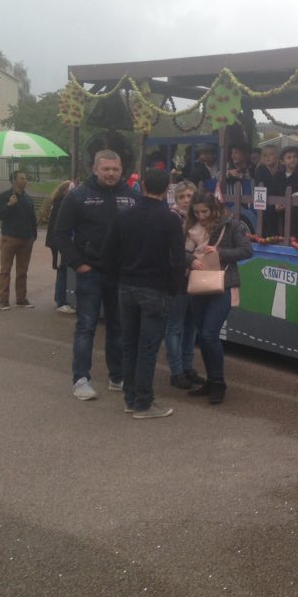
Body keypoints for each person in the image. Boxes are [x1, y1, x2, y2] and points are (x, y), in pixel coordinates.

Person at [53, 149, 138, 401]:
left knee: (118, 327)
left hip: (121, 274)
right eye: (106, 169)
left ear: (122, 170)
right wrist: (78, 264)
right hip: (90, 273)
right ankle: (81, 379)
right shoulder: (78, 196)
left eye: (115, 169)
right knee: (87, 326)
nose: (111, 174)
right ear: (95, 169)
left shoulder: (132, 197)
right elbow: (60, 233)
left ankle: (117, 376)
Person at [101, 169, 185, 419]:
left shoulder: (123, 216)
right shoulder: (170, 220)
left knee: (129, 344)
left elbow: (108, 254)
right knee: (148, 348)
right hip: (154, 288)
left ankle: (130, 398)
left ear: (143, 185)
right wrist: (174, 288)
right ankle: (143, 403)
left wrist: (118, 278)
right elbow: (178, 261)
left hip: (126, 286)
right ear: (167, 188)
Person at [185, 191, 253, 403]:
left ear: (213, 209)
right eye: (196, 212)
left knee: (209, 334)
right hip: (199, 283)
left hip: (222, 284)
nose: (201, 216)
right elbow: (182, 251)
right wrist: (190, 260)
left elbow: (246, 251)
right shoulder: (190, 227)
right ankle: (211, 380)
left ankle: (218, 383)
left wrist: (219, 252)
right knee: (203, 336)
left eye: (204, 211)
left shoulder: (231, 225)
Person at [165, 181, 203, 390]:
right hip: (178, 278)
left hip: (196, 278)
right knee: (175, 325)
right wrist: (190, 260)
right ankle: (176, 370)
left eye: (190, 196)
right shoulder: (172, 218)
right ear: (176, 199)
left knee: (191, 325)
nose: (187, 200)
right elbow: (173, 249)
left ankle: (189, 367)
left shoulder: (201, 218)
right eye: (182, 197)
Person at [0, 169, 38, 310]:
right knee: (5, 270)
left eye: (25, 178)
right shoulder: (5, 196)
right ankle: (4, 300)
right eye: (22, 178)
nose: (25, 181)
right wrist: (9, 205)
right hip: (9, 238)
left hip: (26, 239)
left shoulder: (28, 198)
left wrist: (33, 236)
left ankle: (21, 298)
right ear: (14, 181)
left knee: (22, 271)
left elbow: (32, 219)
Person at [43, 180, 75, 313]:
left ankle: (60, 298)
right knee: (62, 270)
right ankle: (61, 302)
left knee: (63, 270)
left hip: (57, 242)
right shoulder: (61, 204)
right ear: (65, 191)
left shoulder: (58, 203)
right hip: (59, 243)